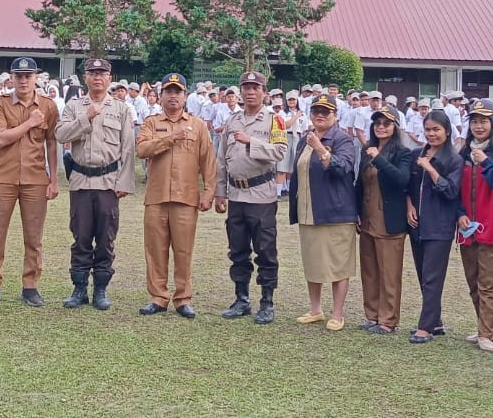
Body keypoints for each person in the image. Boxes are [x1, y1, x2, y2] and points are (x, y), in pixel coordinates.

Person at [54, 58, 136, 310]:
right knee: (80, 236)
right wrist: (85, 118)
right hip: (80, 180)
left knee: (105, 238)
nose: (97, 78)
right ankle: (79, 288)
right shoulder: (74, 106)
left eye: (102, 73)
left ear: (110, 78)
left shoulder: (121, 109)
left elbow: (128, 148)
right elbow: (60, 135)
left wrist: (124, 182)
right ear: (85, 78)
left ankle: (100, 288)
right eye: (92, 73)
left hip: (108, 182)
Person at [0, 57, 60, 307]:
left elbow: (51, 142)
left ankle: (30, 286)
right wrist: (29, 123)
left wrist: (53, 178)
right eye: (19, 76)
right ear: (11, 78)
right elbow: (1, 139)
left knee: (34, 237)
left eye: (28, 76)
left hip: (36, 178)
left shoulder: (48, 106)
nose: (23, 80)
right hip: (3, 177)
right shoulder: (0, 104)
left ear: (36, 77)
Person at [136, 73, 217, 318]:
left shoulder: (198, 125)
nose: (173, 96)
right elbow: (141, 149)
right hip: (157, 197)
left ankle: (183, 298)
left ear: (185, 96)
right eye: (168, 91)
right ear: (160, 96)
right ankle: (158, 297)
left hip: (186, 197)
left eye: (178, 92)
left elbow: (208, 161)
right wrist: (170, 138)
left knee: (183, 251)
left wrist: (209, 192)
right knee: (155, 250)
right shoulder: (151, 123)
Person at [214, 71, 289, 324]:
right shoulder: (232, 120)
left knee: (265, 251)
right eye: (246, 87)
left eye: (255, 87)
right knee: (237, 250)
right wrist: (219, 192)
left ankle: (267, 302)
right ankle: (241, 299)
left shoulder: (274, 120)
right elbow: (222, 159)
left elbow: (280, 152)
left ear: (264, 92)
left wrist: (251, 142)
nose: (250, 92)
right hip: (236, 195)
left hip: (261, 197)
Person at [288, 93, 357, 331]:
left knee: (339, 264)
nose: (319, 115)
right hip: (309, 212)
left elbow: (343, 169)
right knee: (313, 262)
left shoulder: (343, 140)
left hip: (336, 212)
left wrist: (320, 149)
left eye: (325, 112)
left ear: (335, 116)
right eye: (316, 110)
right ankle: (315, 309)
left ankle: (337, 313)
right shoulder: (303, 141)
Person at [456, 99, 493, 353]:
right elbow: (454, 190)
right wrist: (459, 214)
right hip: (468, 230)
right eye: (475, 121)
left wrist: (486, 162)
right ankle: (485, 324)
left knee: (490, 284)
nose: (479, 126)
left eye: (484, 121)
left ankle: (486, 332)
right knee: (473, 281)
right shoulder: (462, 154)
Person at [355, 104, 416, 334]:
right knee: (369, 270)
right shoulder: (366, 149)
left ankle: (388, 320)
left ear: (395, 126)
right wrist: (356, 212)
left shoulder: (403, 152)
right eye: (377, 123)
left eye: (386, 123)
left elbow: (401, 180)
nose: (381, 127)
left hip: (389, 220)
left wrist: (379, 158)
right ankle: (372, 315)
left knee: (389, 273)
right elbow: (359, 183)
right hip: (368, 217)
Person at [406, 109, 462, 343]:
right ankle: (436, 321)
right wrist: (409, 206)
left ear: (447, 132)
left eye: (436, 130)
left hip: (439, 225)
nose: (431, 134)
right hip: (417, 223)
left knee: (432, 276)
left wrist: (430, 169)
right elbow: (408, 186)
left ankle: (425, 327)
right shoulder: (417, 153)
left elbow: (450, 190)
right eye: (428, 129)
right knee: (422, 274)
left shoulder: (453, 159)